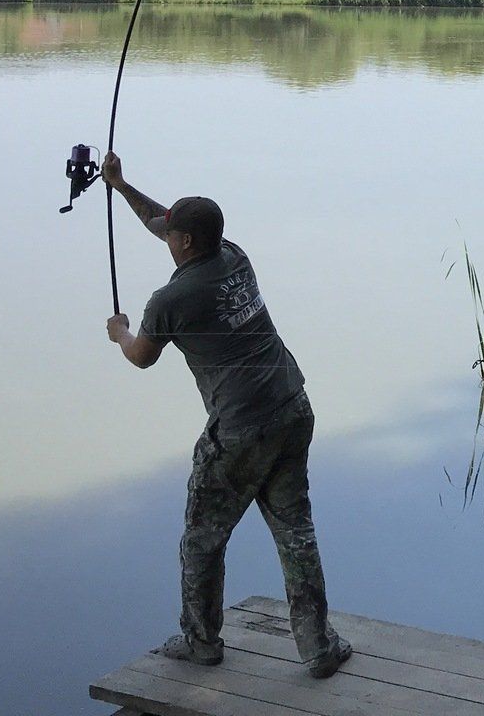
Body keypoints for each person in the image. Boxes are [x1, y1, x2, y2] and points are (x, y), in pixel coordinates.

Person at [100, 151, 351, 678]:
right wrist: (121, 186)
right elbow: (161, 221)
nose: (166, 236)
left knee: (202, 538)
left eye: (173, 234)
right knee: (295, 532)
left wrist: (120, 331)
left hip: (240, 430)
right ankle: (318, 647)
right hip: (291, 407)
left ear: (186, 243)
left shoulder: (172, 298)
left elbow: (142, 356)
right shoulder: (234, 255)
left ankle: (202, 642)